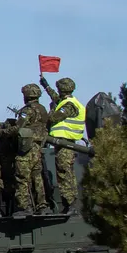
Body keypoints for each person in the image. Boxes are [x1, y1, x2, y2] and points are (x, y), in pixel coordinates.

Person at [41, 75, 85, 212]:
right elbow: (56, 99)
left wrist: (50, 110)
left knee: (64, 173)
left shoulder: (70, 105)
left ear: (61, 89)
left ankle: (70, 204)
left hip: (66, 144)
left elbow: (54, 116)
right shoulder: (66, 101)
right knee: (66, 173)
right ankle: (70, 204)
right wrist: (46, 86)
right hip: (63, 143)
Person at [16, 83, 51, 214]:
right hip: (38, 148)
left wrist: (2, 131)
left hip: (27, 148)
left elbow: (17, 128)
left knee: (22, 177)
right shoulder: (43, 109)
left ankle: (26, 207)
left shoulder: (27, 110)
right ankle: (42, 206)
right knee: (37, 177)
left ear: (26, 95)